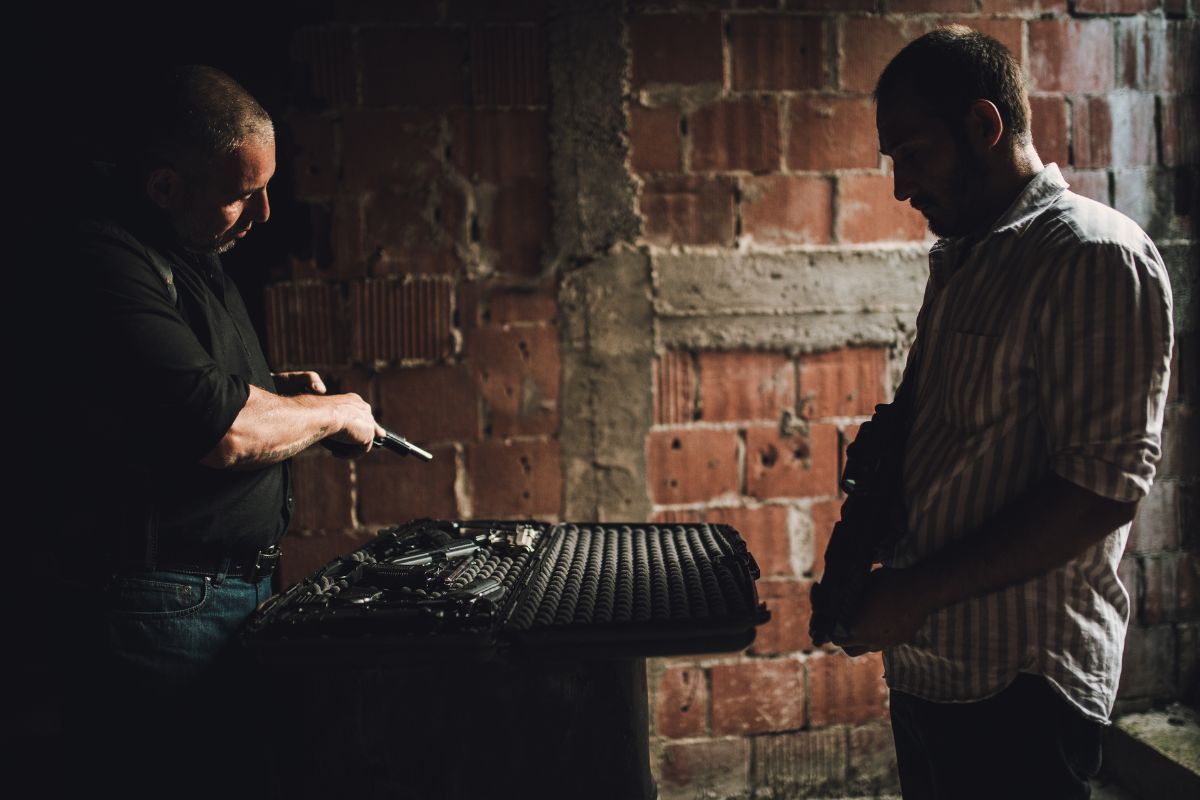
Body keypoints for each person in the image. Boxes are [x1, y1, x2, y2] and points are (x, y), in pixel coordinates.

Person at [830, 27, 1174, 799]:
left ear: (984, 127)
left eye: (913, 154)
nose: (901, 185)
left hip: (1021, 686)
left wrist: (912, 594)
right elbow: (971, 448)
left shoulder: (1092, 255)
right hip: (933, 667)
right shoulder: (969, 257)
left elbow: (1101, 488)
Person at [51, 65, 385, 794]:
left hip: (221, 591)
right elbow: (221, 428)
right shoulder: (105, 257)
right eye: (242, 193)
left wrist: (281, 402)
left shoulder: (191, 249)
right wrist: (335, 411)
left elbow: (195, 394)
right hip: (162, 604)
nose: (263, 213)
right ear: (165, 185)